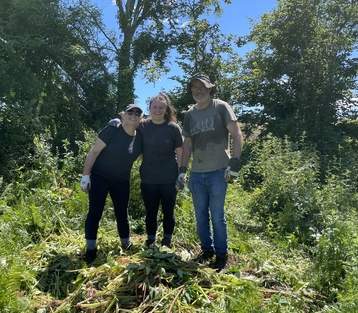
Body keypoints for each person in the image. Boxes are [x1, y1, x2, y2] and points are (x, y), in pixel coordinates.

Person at [178, 73, 243, 272]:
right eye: (194, 88)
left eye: (202, 87)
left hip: (218, 172)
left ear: (210, 88)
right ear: (191, 92)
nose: (199, 91)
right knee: (200, 215)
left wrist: (235, 164)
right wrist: (182, 170)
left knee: (217, 215)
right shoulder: (190, 115)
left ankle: (222, 256)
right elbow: (187, 145)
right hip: (197, 173)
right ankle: (206, 250)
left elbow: (237, 134)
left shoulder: (221, 107)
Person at [79, 104, 144, 264]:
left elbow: (146, 159)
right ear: (123, 116)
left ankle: (125, 244)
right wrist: (86, 175)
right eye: (130, 112)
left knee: (122, 213)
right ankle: (91, 250)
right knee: (95, 213)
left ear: (141, 118)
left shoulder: (140, 138)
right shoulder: (112, 130)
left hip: (121, 180)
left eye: (137, 113)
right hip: (100, 176)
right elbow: (94, 151)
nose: (133, 115)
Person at [138, 93, 183, 248]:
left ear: (166, 109)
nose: (157, 110)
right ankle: (150, 240)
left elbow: (180, 152)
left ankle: (167, 240)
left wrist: (181, 174)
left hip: (169, 178)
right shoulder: (142, 125)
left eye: (161, 107)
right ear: (149, 109)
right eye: (154, 107)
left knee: (168, 212)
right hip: (148, 178)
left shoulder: (173, 128)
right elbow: (128, 128)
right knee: (151, 212)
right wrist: (117, 122)